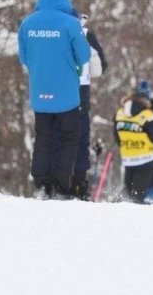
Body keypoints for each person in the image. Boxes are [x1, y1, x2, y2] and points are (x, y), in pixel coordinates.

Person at [18, 0, 91, 198]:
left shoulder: (27, 24)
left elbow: (23, 57)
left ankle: (41, 183)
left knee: (43, 136)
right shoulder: (71, 24)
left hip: (40, 92)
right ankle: (61, 184)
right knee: (69, 137)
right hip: (67, 94)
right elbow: (84, 56)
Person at [69, 12, 109, 200]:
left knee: (53, 138)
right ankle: (78, 183)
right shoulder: (84, 34)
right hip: (78, 97)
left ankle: (54, 181)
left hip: (50, 97)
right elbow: (100, 67)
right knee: (80, 141)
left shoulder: (49, 30)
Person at [113, 91, 153, 203]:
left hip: (128, 158)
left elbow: (117, 136)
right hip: (146, 158)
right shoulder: (147, 115)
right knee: (138, 194)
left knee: (128, 193)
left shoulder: (120, 114)